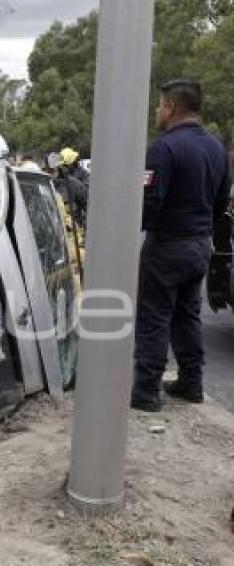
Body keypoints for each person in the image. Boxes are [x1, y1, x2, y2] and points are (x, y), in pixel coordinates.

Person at [131, 79, 231, 412]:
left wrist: (134, 228)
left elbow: (149, 202)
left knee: (154, 315)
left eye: (160, 105)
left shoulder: (164, 148)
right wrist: (202, 229)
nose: (158, 111)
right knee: (188, 315)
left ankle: (146, 391)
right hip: (200, 244)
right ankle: (192, 382)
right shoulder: (217, 148)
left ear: (171, 107)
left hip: (168, 244)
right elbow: (221, 201)